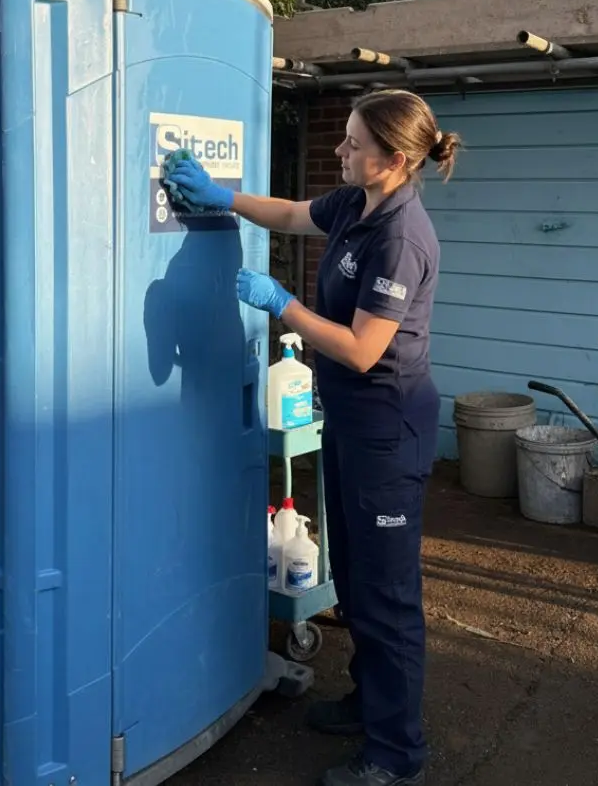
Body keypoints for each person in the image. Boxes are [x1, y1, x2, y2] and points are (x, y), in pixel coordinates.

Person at [163, 89, 461, 786]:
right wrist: (220, 197)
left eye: (352, 144)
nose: (339, 151)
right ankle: (371, 702)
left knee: (387, 597)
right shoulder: (360, 205)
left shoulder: (401, 237)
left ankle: (396, 755)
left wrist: (283, 304)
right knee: (354, 581)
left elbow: (361, 349)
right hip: (354, 426)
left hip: (389, 431)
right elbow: (295, 214)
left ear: (392, 159)